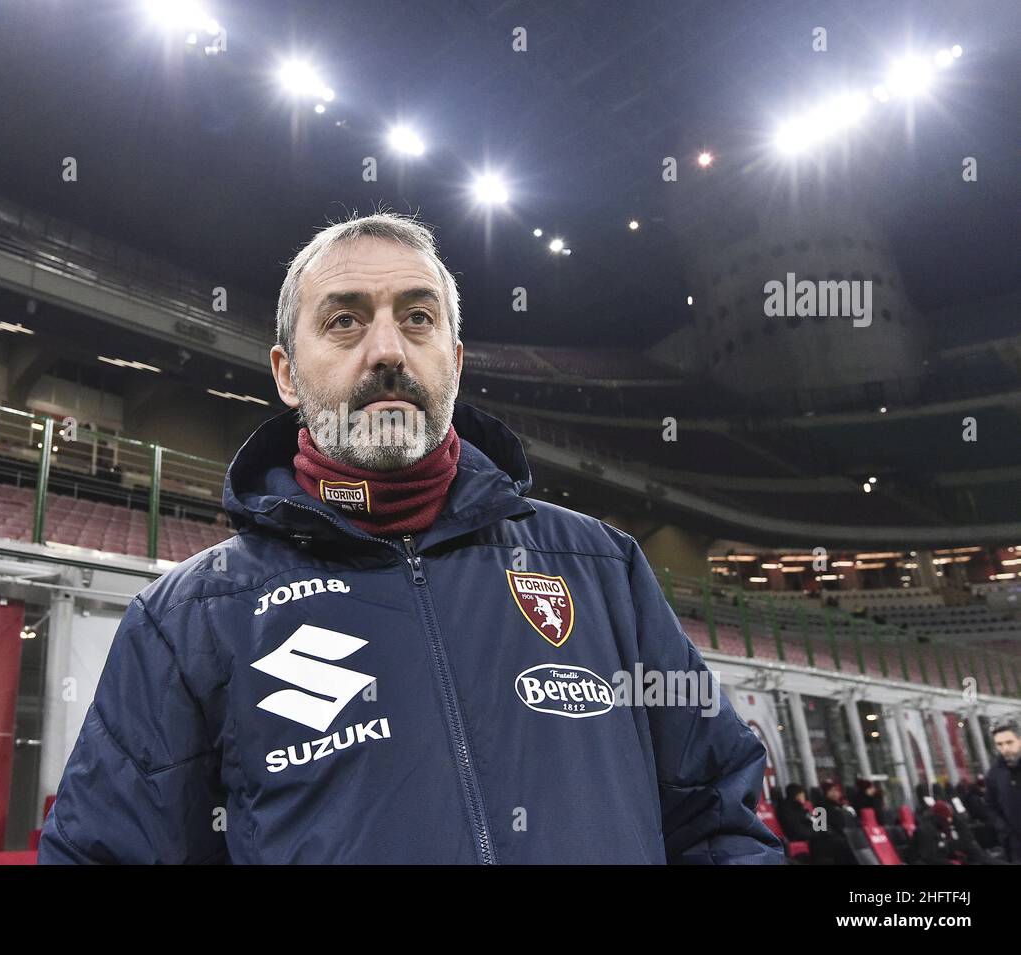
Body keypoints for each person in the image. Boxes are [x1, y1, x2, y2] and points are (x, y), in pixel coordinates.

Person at [38, 212, 781, 865]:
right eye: (345, 320)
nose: (388, 349)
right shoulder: (190, 619)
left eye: (418, 317)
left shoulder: (601, 570)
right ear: (286, 374)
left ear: (453, 362)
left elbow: (720, 817)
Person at [984, 719, 1021, 862]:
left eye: (1009, 742)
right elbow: (991, 807)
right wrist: (1005, 831)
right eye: (999, 744)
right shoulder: (994, 775)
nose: (1005, 748)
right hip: (1016, 845)